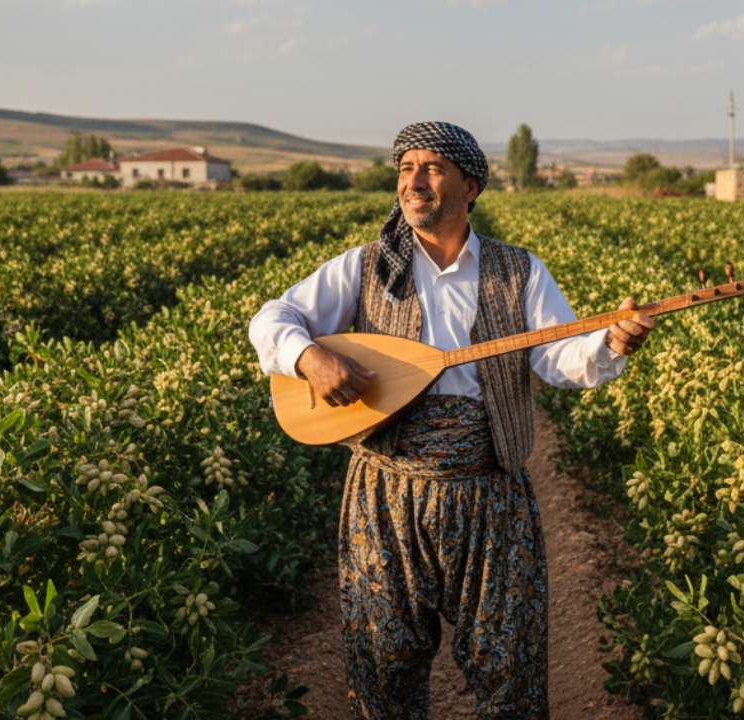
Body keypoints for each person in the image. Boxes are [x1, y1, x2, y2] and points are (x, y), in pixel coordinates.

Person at [249, 121, 652, 720]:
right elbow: (272, 317)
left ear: (471, 186)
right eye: (406, 168)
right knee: (384, 670)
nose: (415, 181)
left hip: (491, 496)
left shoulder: (519, 271)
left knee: (508, 672)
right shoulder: (363, 268)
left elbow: (559, 358)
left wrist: (611, 343)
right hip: (385, 494)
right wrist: (308, 356)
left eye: (432, 168)